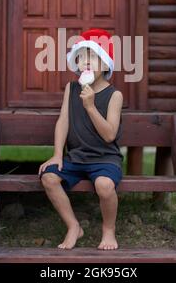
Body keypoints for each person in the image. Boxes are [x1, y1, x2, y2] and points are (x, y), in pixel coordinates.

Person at [38, 28, 124, 250]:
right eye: (82, 56)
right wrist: (58, 154)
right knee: (48, 178)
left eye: (93, 56)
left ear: (105, 65)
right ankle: (73, 226)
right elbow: (63, 121)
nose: (86, 61)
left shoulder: (114, 95)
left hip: (105, 158)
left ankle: (109, 230)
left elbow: (109, 134)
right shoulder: (72, 87)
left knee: (104, 185)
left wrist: (90, 106)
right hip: (76, 157)